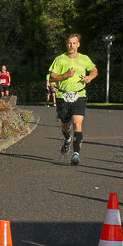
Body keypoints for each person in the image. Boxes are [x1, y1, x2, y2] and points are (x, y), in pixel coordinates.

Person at [48, 33, 98, 165]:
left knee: (77, 123)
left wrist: (90, 77)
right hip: (62, 96)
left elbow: (94, 70)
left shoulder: (84, 58)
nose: (71, 45)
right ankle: (67, 139)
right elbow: (51, 78)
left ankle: (76, 154)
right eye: (69, 43)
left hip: (79, 95)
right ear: (66, 44)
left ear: (78, 45)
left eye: (74, 43)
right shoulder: (60, 59)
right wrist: (66, 75)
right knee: (65, 125)